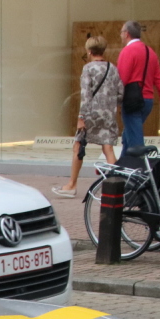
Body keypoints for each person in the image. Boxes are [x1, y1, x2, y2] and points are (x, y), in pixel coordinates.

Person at [53, 36, 121, 199]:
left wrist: (81, 116)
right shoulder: (113, 68)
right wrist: (109, 105)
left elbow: (86, 94)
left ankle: (71, 185)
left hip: (91, 112)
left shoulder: (88, 69)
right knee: (108, 148)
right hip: (108, 113)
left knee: (78, 146)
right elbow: (121, 93)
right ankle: (116, 186)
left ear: (89, 51)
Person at [116, 20, 160, 152]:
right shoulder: (150, 52)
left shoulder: (127, 51)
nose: (121, 35)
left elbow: (121, 79)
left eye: (121, 32)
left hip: (132, 101)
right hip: (147, 101)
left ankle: (139, 169)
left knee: (135, 143)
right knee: (129, 136)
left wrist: (113, 100)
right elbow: (159, 80)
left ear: (127, 34)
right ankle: (123, 168)